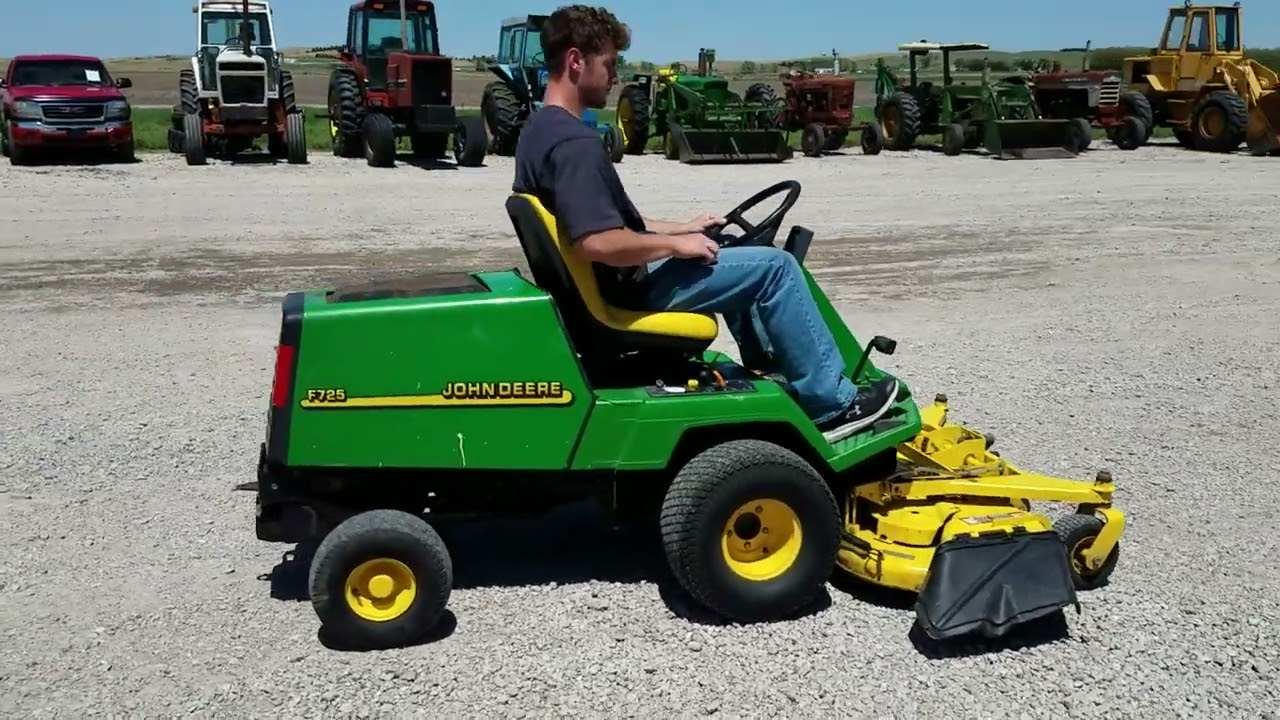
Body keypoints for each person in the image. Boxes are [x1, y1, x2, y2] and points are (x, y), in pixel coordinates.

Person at [511, 5, 899, 438]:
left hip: (610, 282)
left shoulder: (538, 132)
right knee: (777, 269)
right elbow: (595, 241)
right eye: (610, 64)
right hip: (629, 290)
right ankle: (833, 404)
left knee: (730, 244)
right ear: (576, 61)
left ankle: (774, 366)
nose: (615, 76)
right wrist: (677, 247)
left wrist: (682, 227)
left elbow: (610, 222)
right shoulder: (574, 144)